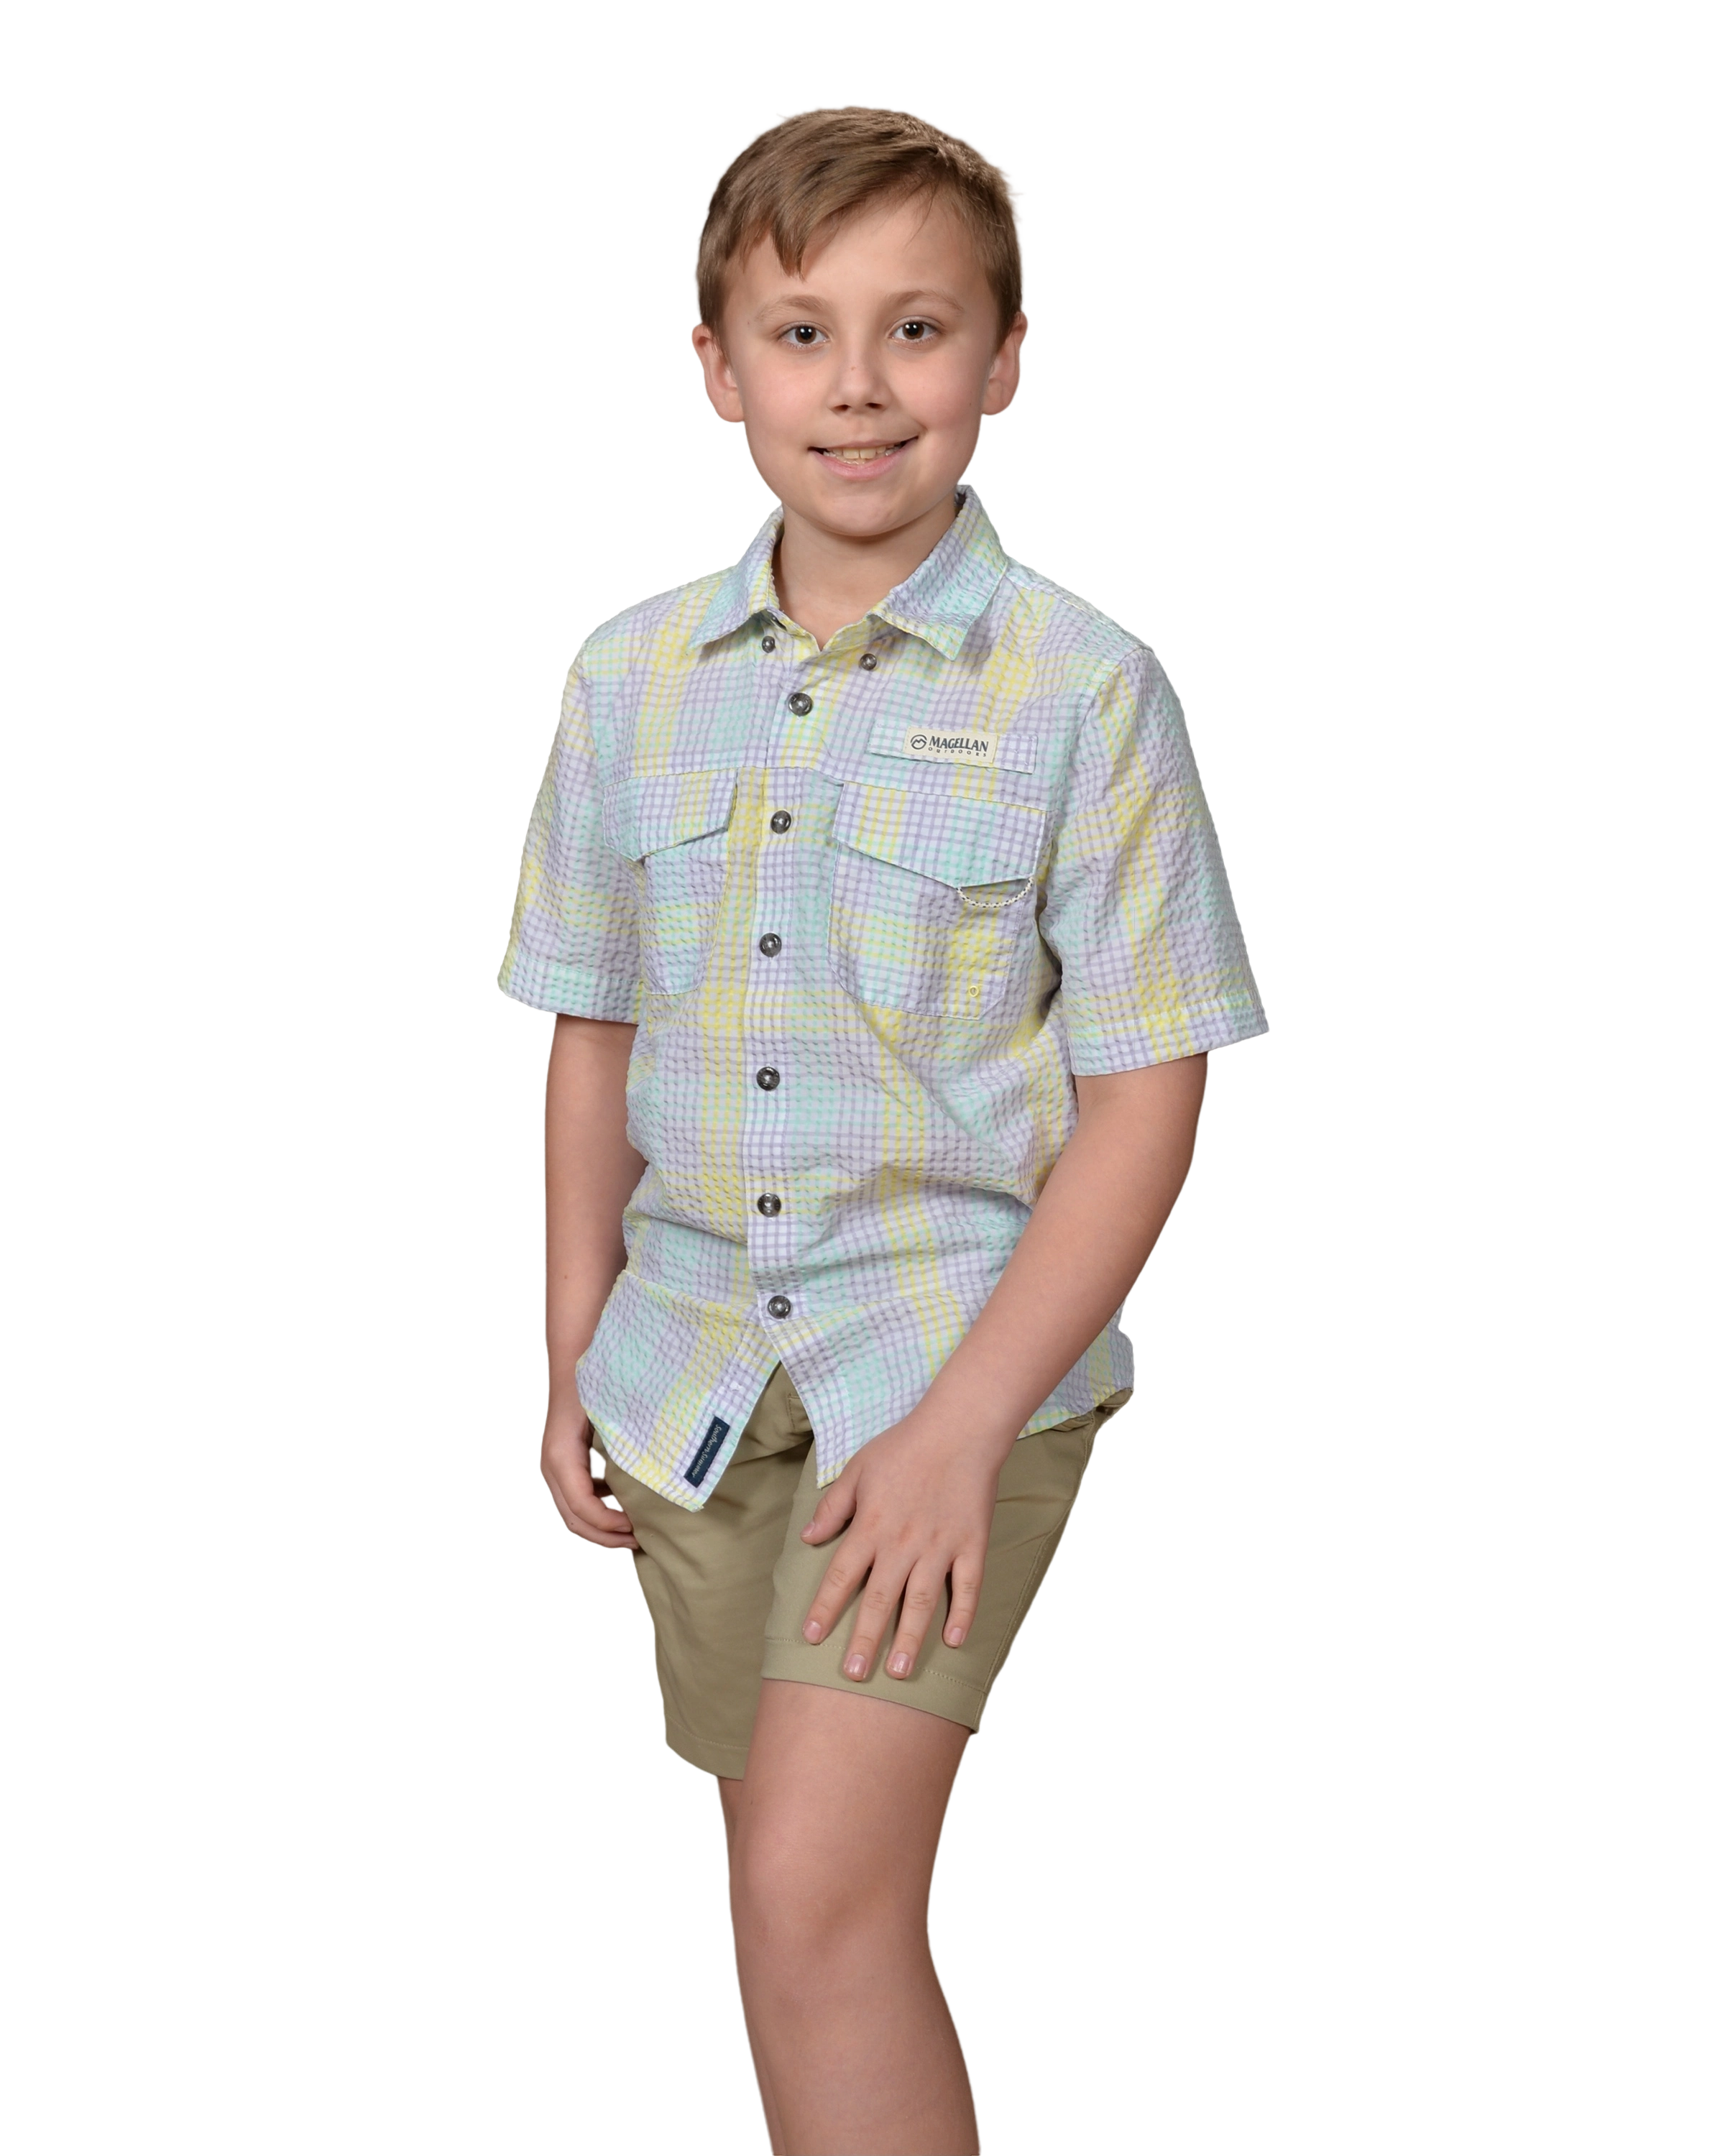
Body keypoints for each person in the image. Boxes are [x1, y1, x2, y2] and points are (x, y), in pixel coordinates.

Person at [495, 102, 1269, 2156]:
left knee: (815, 1908)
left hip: (941, 1371)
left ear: (1005, 360)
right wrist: (572, 1354)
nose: (858, 386)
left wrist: (955, 1434)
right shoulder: (628, 676)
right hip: (688, 1384)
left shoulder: (1085, 690)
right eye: (801, 331)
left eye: (917, 329)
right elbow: (592, 1029)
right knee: (786, 1922)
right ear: (716, 367)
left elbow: (1150, 1086)